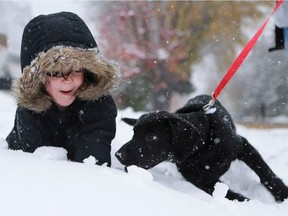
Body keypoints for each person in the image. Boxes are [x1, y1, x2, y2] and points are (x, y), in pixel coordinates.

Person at [6, 11, 120, 166]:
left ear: (88, 72)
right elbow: (33, 169)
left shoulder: (99, 106)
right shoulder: (30, 111)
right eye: (56, 72)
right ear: (38, 78)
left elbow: (93, 165)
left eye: (77, 69)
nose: (67, 80)